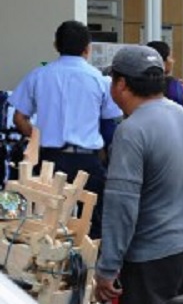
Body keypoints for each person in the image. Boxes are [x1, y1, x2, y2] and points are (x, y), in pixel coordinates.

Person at [92, 45, 183, 304]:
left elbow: (121, 206)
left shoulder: (132, 130)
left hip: (150, 256)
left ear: (121, 84)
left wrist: (108, 268)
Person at [9, 20, 124, 240]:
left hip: (48, 161)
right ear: (87, 49)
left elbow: (19, 117)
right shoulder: (99, 80)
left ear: (56, 45)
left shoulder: (38, 75)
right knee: (92, 224)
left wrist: (35, 137)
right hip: (87, 162)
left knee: (44, 223)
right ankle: (88, 270)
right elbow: (110, 121)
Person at [147, 40, 183, 110]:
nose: (173, 61)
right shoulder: (175, 85)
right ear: (162, 61)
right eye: (170, 57)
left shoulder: (139, 84)